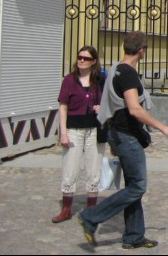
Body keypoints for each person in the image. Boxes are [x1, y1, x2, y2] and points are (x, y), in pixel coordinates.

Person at [78, 32, 168, 249]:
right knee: (138, 186)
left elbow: (111, 106)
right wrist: (163, 128)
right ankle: (91, 217)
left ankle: (134, 235)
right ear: (142, 51)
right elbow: (135, 109)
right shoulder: (128, 74)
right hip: (127, 135)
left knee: (133, 185)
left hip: (118, 132)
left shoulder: (115, 68)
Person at [52, 46, 104, 223]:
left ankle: (91, 210)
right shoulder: (69, 80)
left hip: (94, 129)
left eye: (86, 58)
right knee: (70, 168)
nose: (82, 60)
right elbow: (63, 107)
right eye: (80, 57)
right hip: (74, 129)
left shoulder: (100, 80)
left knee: (93, 170)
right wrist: (63, 133)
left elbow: (109, 101)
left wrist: (102, 108)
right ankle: (66, 209)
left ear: (94, 62)